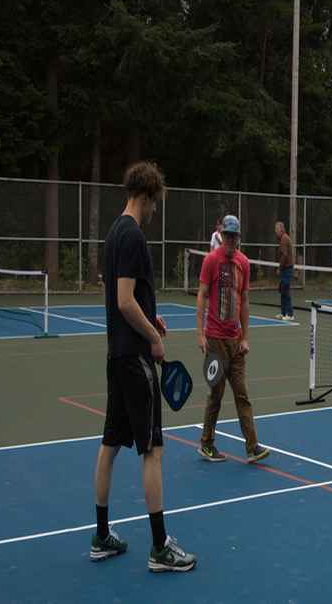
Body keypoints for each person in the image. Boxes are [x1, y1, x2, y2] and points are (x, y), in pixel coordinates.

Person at [92, 161, 195, 572]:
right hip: (135, 360)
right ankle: (159, 548)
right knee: (151, 451)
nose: (155, 212)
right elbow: (123, 300)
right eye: (156, 204)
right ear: (148, 196)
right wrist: (153, 337)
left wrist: (151, 319)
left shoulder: (114, 232)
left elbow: (126, 300)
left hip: (116, 357)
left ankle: (101, 535)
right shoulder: (133, 235)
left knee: (110, 445)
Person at [196, 214, 270, 464]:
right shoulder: (211, 261)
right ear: (221, 236)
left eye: (234, 236)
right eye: (227, 235)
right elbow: (202, 296)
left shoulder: (243, 263)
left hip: (236, 342)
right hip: (215, 340)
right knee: (216, 395)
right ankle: (206, 444)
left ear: (238, 238)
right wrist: (200, 334)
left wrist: (245, 337)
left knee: (242, 394)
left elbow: (245, 301)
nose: (230, 240)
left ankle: (252, 447)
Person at [275, 221, 295, 321]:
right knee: (282, 290)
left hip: (287, 269)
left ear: (281, 229)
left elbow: (284, 255)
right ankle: (283, 313)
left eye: (277, 229)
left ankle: (290, 314)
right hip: (285, 269)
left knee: (286, 291)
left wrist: (279, 268)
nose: (276, 231)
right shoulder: (282, 239)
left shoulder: (284, 239)